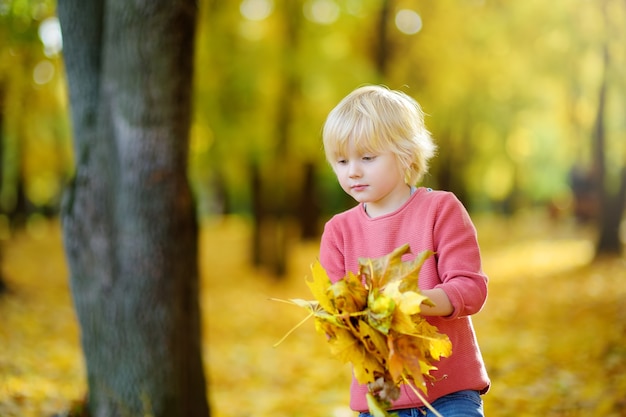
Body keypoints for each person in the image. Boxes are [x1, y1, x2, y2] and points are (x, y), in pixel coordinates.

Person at [319, 85, 490, 417]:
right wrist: (372, 368)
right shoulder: (338, 232)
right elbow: (337, 319)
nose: (352, 170)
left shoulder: (441, 210)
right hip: (380, 399)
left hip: (450, 394)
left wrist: (411, 303)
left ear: (407, 154)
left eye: (367, 158)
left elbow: (471, 288)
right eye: (341, 161)